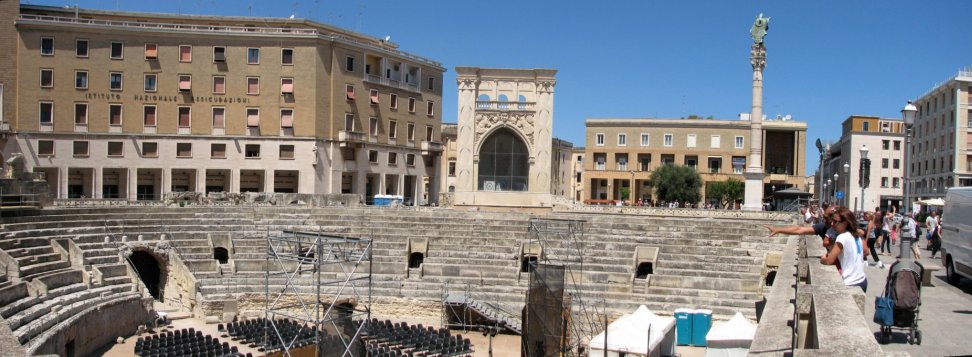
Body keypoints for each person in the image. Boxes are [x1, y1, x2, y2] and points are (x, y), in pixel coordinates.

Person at [820, 207, 868, 292]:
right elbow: (866, 252)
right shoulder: (856, 235)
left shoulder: (842, 237)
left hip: (850, 282)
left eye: (835, 222)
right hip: (862, 280)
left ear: (845, 223)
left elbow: (829, 260)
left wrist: (823, 259)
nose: (832, 224)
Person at [764, 204, 838, 249]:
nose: (826, 221)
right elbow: (799, 230)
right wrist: (778, 230)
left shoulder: (847, 230)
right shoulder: (823, 227)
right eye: (824, 218)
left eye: (827, 219)